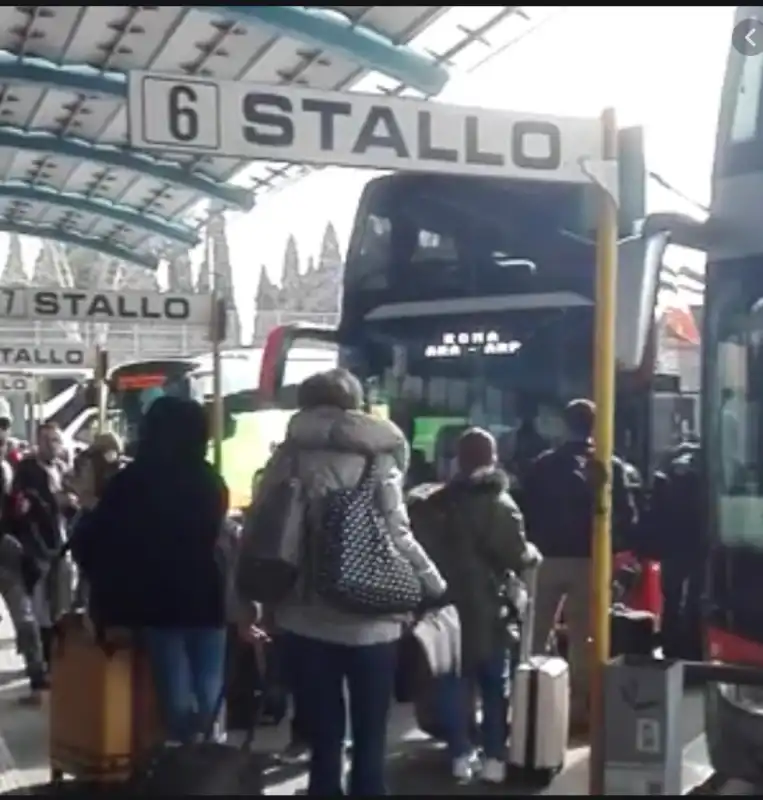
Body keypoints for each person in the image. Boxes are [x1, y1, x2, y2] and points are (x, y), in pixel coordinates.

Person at [250, 368, 446, 796]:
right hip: (371, 614)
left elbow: (264, 527)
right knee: (371, 726)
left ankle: (324, 789)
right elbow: (397, 532)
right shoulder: (378, 458)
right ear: (355, 404)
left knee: (323, 729)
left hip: (303, 613)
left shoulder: (288, 456)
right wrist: (431, 582)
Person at [72, 397, 229, 743]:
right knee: (209, 690)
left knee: (175, 695)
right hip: (206, 596)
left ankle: (184, 761)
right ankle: (211, 757)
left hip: (159, 602)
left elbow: (102, 541)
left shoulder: (131, 482)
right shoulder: (209, 480)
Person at [410, 427, 540, 783]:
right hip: (489, 610)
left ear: (457, 460)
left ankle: (459, 754)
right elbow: (516, 555)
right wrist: (530, 553)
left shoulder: (432, 505)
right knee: (494, 686)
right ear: (492, 459)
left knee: (453, 683)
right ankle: (495, 758)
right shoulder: (501, 505)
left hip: (445, 610)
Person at [522, 398, 637, 733]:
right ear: (596, 426)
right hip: (590, 559)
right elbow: (627, 517)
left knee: (536, 631)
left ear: (564, 424)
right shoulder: (608, 464)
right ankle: (577, 711)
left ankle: (532, 701)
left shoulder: (543, 464)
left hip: (546, 559)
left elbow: (526, 507)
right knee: (584, 637)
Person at [0, 401, 47, 701]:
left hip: (9, 552)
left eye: (3, 426)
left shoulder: (14, 465)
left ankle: (37, 674)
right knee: (24, 614)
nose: (1, 432)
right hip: (7, 548)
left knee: (25, 616)